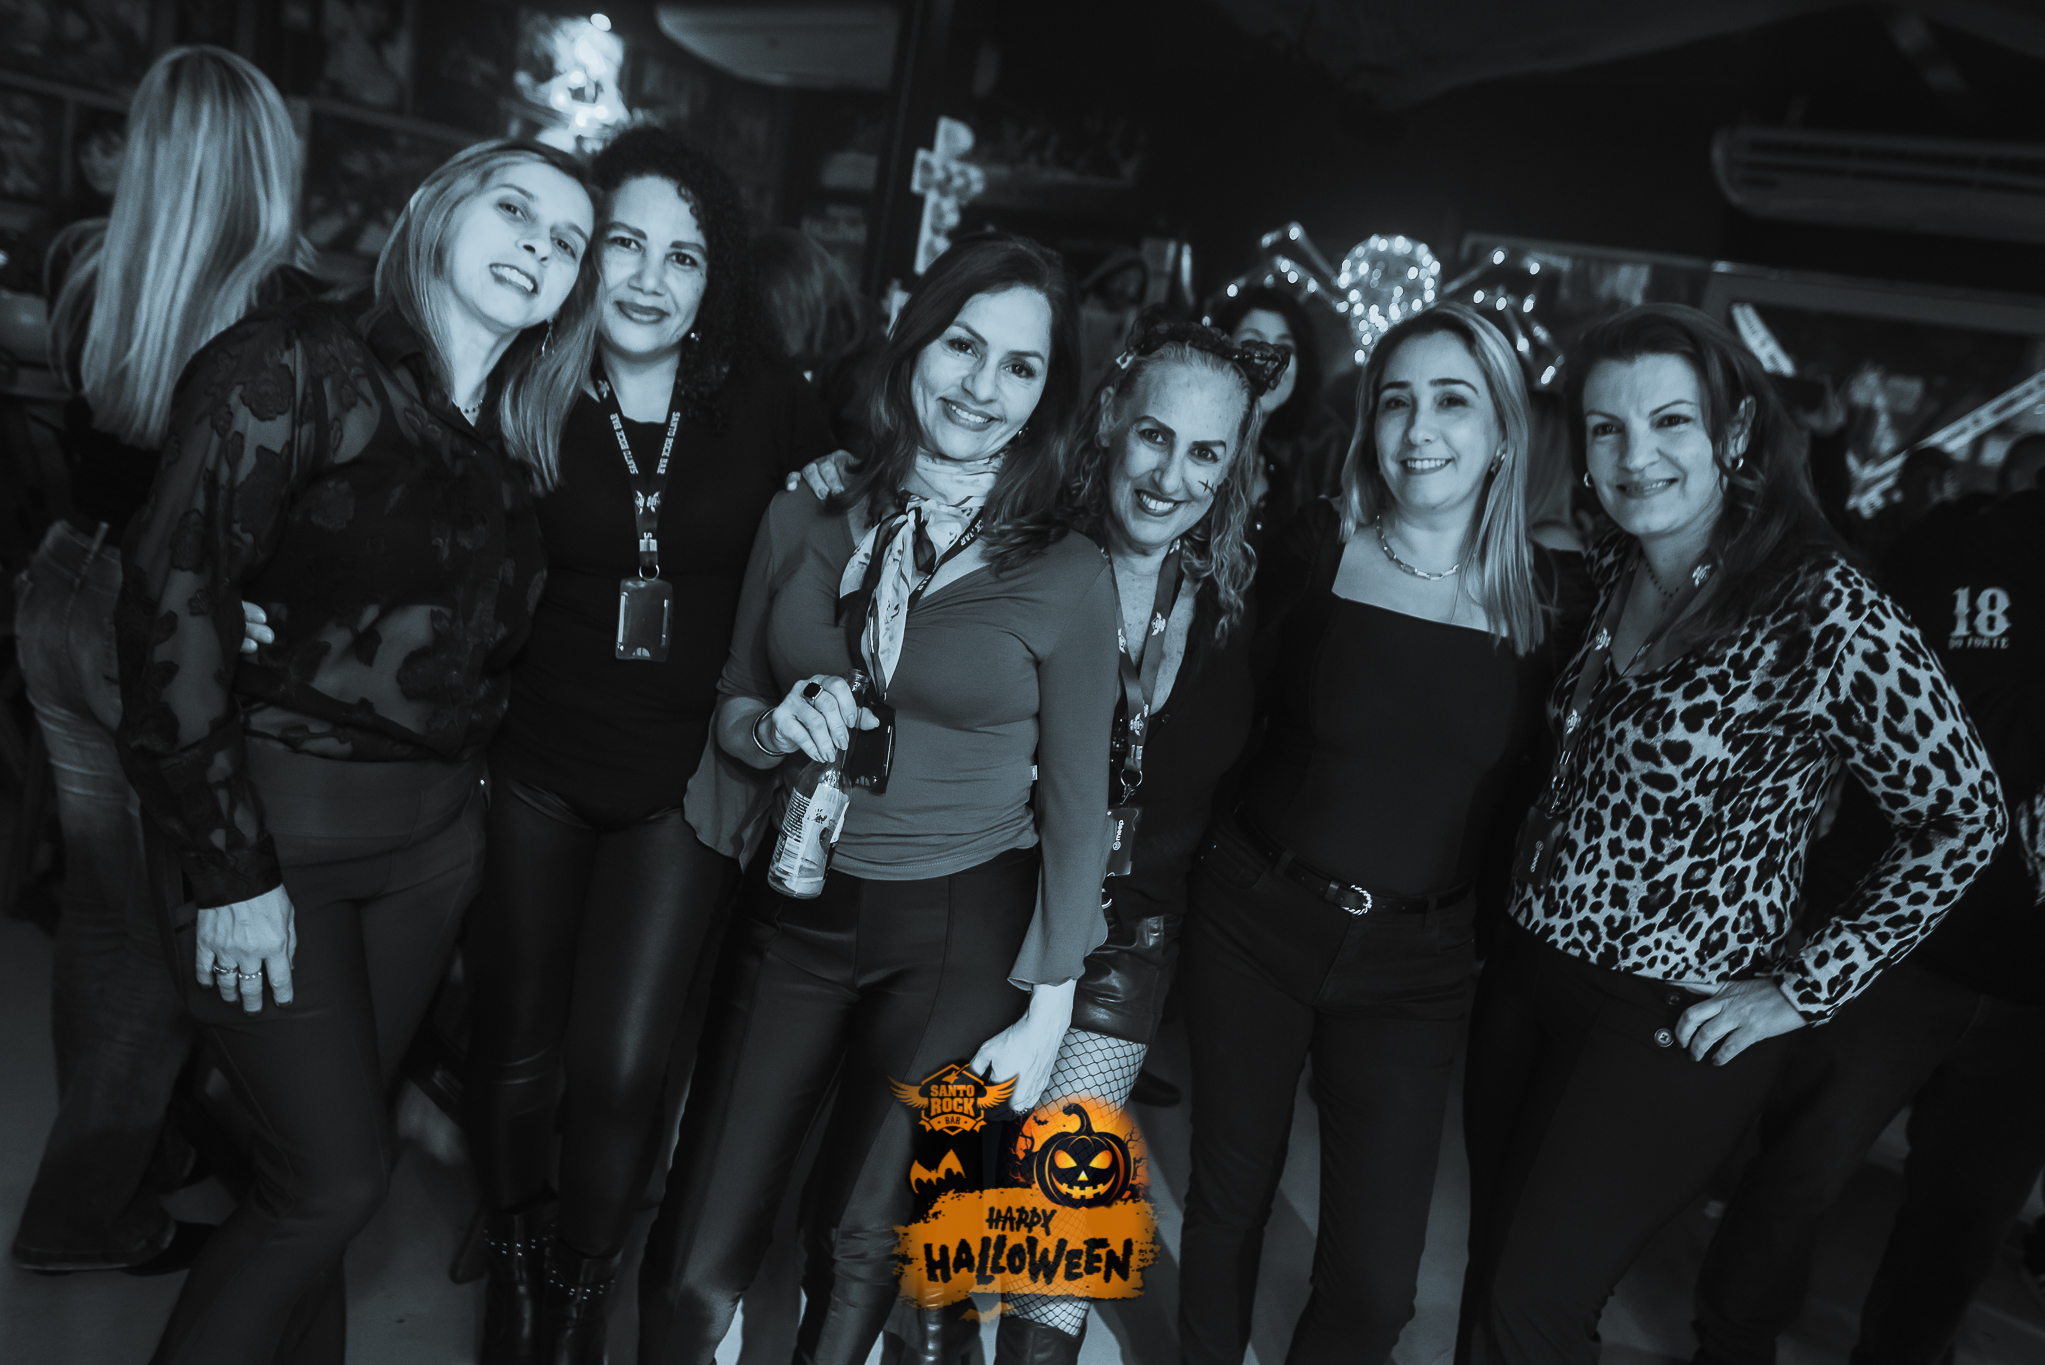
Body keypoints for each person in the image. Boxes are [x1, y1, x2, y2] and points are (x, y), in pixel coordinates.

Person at [115, 138, 598, 1365]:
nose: (539, 245)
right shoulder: (293, 365)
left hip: (431, 851)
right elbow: (168, 608)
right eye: (514, 208)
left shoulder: (520, 436)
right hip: (275, 834)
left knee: (313, 1175)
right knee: (333, 1184)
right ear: (438, 209)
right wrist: (231, 873)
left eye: (567, 241)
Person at [1454, 303, 2007, 1365]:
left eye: (1669, 421)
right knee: (1492, 1283)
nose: (1635, 455)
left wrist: (1803, 988)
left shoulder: (1822, 604)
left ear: (1734, 431)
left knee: (1528, 1311)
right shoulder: (1616, 566)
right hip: (1528, 978)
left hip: (1672, 1017)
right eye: (1607, 428)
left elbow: (1962, 815)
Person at [636, 231, 1117, 1365]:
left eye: (1019, 366)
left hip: (959, 928)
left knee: (858, 1245)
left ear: (1046, 398)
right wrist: (773, 725)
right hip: (793, 898)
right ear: (913, 344)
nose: (981, 387)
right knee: (695, 1249)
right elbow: (734, 699)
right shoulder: (807, 512)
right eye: (962, 346)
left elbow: (1077, 805)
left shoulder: (1067, 571)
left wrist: (1048, 1008)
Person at [454, 127, 834, 1365]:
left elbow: (860, 518)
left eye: (684, 255)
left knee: (620, 1070)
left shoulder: (766, 405)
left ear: (715, 278)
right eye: (623, 244)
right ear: (585, 254)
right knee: (515, 1050)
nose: (649, 280)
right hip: (532, 768)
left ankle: (577, 1289)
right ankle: (517, 1264)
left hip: (685, 783)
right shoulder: (525, 381)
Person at [1177, 302, 1556, 1365]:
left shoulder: (1549, 601)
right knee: (1225, 1207)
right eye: (1395, 402)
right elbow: (1223, 712)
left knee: (1376, 1285)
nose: (1418, 429)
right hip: (1254, 917)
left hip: (1415, 965)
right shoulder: (1317, 545)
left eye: (1452, 401)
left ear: (1502, 431)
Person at [9, 44, 318, 1277]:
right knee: (161, 937)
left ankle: (123, 1158)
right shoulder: (276, 302)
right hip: (155, 622)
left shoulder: (92, 264)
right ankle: (85, 1214)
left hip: (61, 591)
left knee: (100, 908)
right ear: (266, 155)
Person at [1690, 478, 2045, 1365]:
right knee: (1797, 1172)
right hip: (1887, 940)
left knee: (1964, 1222)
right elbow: (1936, 734)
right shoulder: (1966, 546)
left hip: (2032, 988)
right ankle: (1728, 1350)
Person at [1210, 285, 1346, 538]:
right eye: (1252, 343)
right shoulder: (1195, 453)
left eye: (1285, 348)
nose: (1271, 359)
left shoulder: (1280, 474)